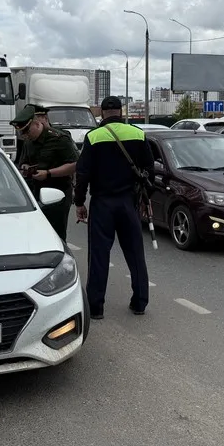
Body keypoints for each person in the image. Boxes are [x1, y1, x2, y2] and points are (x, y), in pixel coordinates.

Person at [73, 95, 153, 319]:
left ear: (102, 113)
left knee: (99, 256)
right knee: (135, 254)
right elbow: (150, 170)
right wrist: (147, 201)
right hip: (129, 202)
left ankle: (96, 307)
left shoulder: (94, 136)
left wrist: (79, 202)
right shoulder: (138, 134)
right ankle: (139, 303)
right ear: (121, 111)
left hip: (102, 204)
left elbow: (83, 174)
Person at [10, 106, 78, 241]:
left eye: (27, 131)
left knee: (56, 234)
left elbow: (74, 165)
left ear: (37, 123)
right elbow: (23, 162)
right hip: (35, 193)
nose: (25, 135)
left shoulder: (59, 139)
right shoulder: (28, 142)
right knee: (36, 233)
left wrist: (48, 173)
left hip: (58, 193)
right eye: (22, 133)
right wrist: (26, 168)